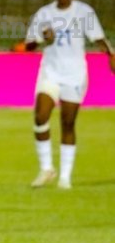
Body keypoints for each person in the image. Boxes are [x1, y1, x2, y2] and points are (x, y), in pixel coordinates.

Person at [23, 0, 114, 189]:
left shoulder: (83, 11)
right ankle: (46, 169)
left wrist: (111, 54)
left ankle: (65, 177)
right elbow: (28, 45)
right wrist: (41, 37)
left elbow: (98, 38)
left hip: (74, 75)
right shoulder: (44, 13)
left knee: (68, 123)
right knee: (40, 117)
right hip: (50, 72)